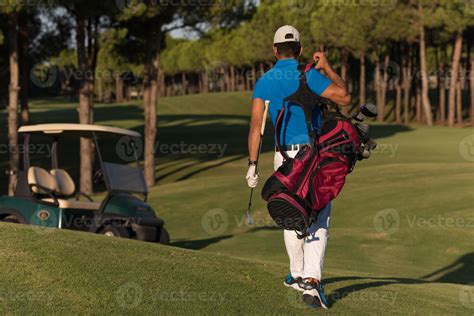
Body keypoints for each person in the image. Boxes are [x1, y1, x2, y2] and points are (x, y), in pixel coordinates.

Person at [246, 25, 351, 309]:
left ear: (275, 50)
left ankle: (296, 273)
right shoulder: (309, 74)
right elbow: (344, 97)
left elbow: (256, 126)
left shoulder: (265, 80)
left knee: (291, 212)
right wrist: (327, 67)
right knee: (318, 216)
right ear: (301, 49)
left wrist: (252, 165)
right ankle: (311, 283)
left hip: (284, 158)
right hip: (314, 156)